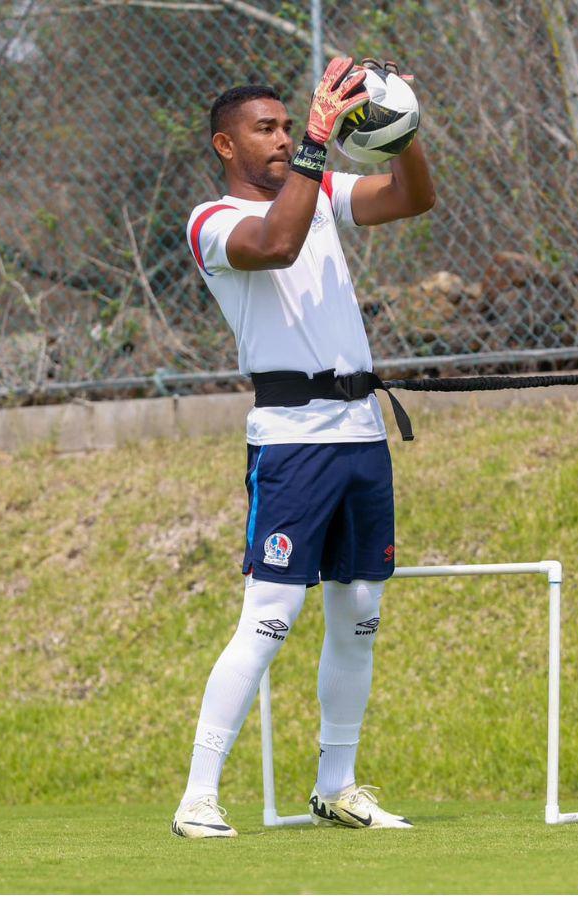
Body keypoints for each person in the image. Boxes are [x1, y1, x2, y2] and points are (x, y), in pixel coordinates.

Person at [172, 56, 436, 839]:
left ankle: (337, 785)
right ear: (226, 146)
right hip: (292, 443)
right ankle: (197, 796)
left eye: (291, 124)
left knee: (359, 614)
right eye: (267, 128)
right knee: (271, 616)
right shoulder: (212, 221)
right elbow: (277, 243)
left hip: (360, 435)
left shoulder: (317, 189)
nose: (284, 136)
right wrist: (323, 141)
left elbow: (413, 197)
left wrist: (400, 128)